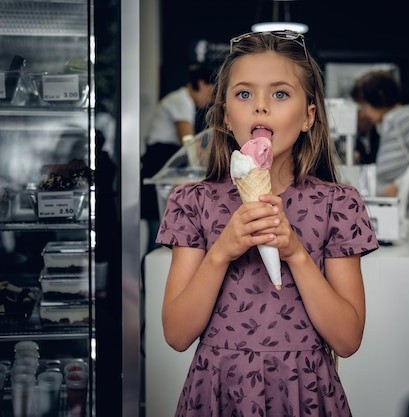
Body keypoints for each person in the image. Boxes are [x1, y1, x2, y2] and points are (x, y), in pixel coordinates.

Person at [156, 30, 379, 416]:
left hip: (304, 392)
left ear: (309, 115)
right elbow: (176, 334)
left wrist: (295, 252)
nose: (261, 107)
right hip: (219, 389)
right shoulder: (192, 202)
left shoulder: (337, 204)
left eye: (280, 94)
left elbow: (346, 340)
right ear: (226, 116)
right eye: (244, 94)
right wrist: (221, 252)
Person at [141, 63, 216, 254]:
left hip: (163, 159)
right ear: (200, 83)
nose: (211, 99)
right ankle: (149, 278)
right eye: (211, 91)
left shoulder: (184, 101)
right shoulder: (181, 100)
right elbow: (188, 140)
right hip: (159, 161)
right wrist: (206, 166)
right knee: (158, 227)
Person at [350, 71, 409, 218]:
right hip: (405, 218)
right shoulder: (388, 124)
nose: (363, 113)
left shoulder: (405, 118)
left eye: (364, 106)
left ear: (379, 98)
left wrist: (399, 186)